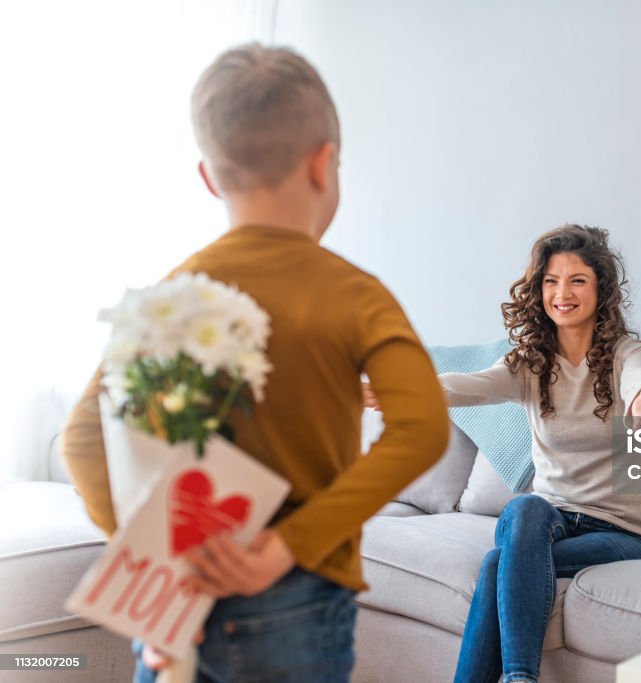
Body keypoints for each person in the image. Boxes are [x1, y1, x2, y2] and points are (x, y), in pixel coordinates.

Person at [61, 43, 449, 683]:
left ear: (210, 177)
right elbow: (422, 427)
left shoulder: (177, 292)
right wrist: (287, 545)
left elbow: (82, 440)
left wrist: (161, 564)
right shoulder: (356, 294)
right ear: (324, 165)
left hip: (179, 600)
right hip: (294, 604)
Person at [365, 224, 641, 683]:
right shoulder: (531, 364)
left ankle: (518, 678)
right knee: (525, 509)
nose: (562, 293)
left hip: (621, 532)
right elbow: (469, 386)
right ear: (538, 291)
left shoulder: (627, 354)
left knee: (498, 562)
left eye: (577, 280)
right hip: (551, 523)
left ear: (601, 290)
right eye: (551, 281)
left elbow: (640, 376)